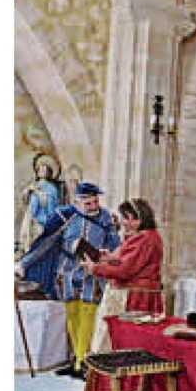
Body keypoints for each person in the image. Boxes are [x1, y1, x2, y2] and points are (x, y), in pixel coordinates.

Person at [16, 181, 120, 377]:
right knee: (72, 316)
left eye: (96, 202)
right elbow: (47, 242)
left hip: (92, 275)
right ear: (77, 202)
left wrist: (108, 257)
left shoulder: (106, 217)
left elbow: (115, 246)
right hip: (66, 274)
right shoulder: (65, 215)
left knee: (87, 317)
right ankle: (76, 359)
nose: (94, 207)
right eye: (88, 203)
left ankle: (81, 362)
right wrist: (24, 264)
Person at [84, 197, 164, 353]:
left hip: (133, 297)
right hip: (139, 295)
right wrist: (107, 257)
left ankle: (113, 377)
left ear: (139, 219)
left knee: (121, 344)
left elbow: (125, 270)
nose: (123, 222)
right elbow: (127, 260)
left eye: (127, 218)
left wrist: (95, 268)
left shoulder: (145, 238)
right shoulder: (147, 236)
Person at [18, 152, 62, 256]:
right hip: (29, 220)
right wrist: (28, 191)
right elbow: (25, 201)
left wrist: (38, 193)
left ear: (49, 172)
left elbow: (51, 208)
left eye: (44, 169)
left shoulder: (52, 189)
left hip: (41, 222)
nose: (41, 171)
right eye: (39, 169)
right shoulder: (33, 185)